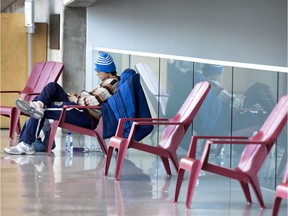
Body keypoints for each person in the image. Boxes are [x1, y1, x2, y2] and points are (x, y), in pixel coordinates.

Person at [4, 52, 120, 155]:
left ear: (107, 71)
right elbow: (92, 97)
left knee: (40, 109)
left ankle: (27, 143)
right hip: (82, 108)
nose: (97, 74)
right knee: (52, 87)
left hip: (85, 115)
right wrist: (76, 96)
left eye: (99, 71)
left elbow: (93, 101)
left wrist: (75, 100)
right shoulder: (108, 82)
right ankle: (39, 105)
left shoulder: (111, 84)